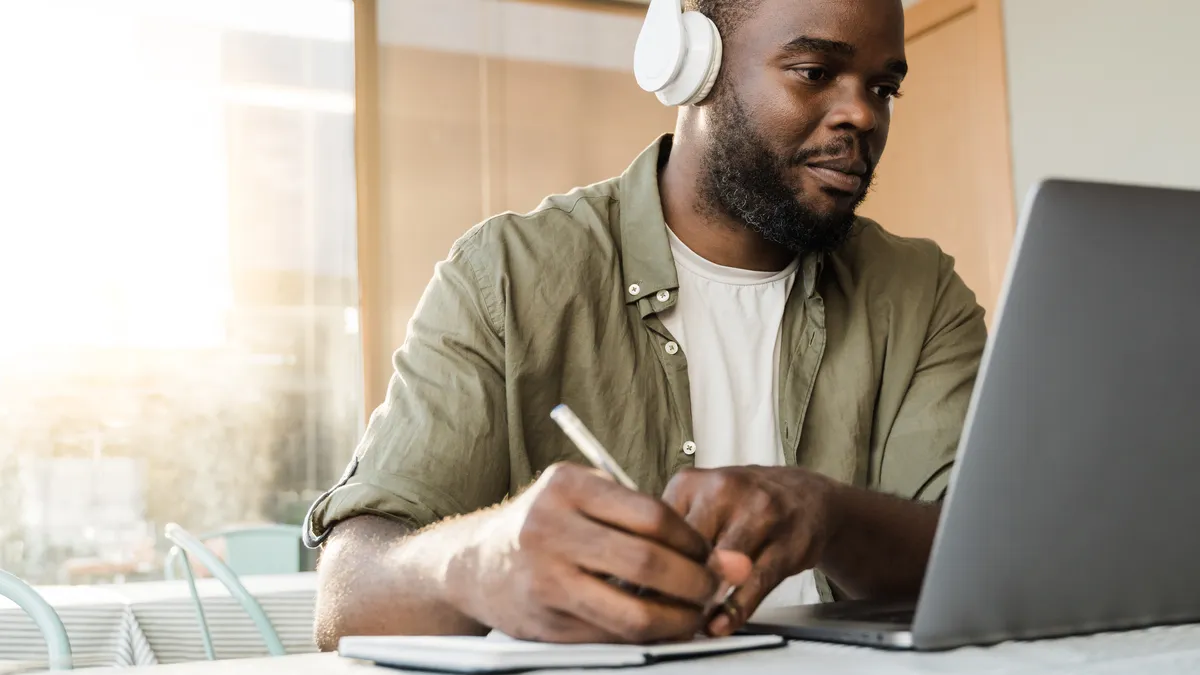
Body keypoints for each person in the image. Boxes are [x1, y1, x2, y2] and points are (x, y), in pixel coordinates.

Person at [306, 0, 986, 650]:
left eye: (884, 88)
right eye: (814, 72)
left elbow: (985, 554)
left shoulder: (920, 292)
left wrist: (827, 515)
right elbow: (347, 595)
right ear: (692, 64)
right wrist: (481, 557)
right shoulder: (507, 275)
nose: (862, 114)